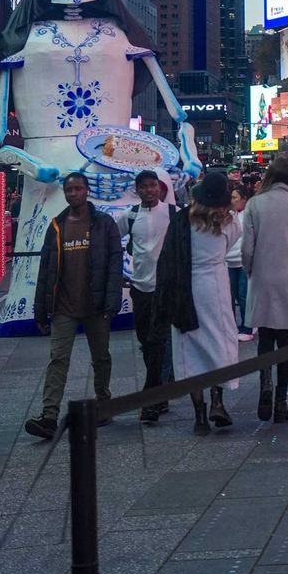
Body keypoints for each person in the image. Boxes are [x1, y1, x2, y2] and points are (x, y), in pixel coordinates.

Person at [25, 173, 123, 440]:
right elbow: (46, 269)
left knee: (101, 357)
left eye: (78, 188)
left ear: (87, 191)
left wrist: (113, 301)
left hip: (96, 304)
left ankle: (104, 402)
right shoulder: (56, 225)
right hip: (63, 307)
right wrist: (40, 309)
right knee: (58, 359)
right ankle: (48, 417)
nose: (73, 193)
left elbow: (116, 263)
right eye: (69, 190)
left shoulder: (104, 224)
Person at [153, 170, 240, 436]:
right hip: (217, 287)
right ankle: (217, 401)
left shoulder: (182, 219)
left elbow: (167, 255)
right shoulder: (227, 222)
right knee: (220, 344)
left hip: (185, 289)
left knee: (189, 351)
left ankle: (199, 414)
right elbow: (231, 244)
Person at [241, 156, 288, 423]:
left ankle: (265, 382)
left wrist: (251, 271)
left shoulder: (254, 204)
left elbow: (247, 249)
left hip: (263, 278)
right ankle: (281, 401)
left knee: (264, 336)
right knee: (286, 341)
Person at [116, 169, 176, 423]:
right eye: (145, 186)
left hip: (165, 288)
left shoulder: (173, 213)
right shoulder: (129, 216)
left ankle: (149, 399)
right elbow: (111, 242)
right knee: (146, 341)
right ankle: (159, 394)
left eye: (153, 186)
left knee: (158, 341)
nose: (149, 190)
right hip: (139, 288)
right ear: (137, 189)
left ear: (159, 188)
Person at [227, 185, 252, 342]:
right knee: (233, 295)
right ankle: (233, 326)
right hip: (229, 261)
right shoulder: (228, 215)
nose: (232, 200)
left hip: (243, 261)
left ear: (244, 199)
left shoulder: (249, 216)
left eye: (235, 197)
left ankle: (247, 326)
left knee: (243, 295)